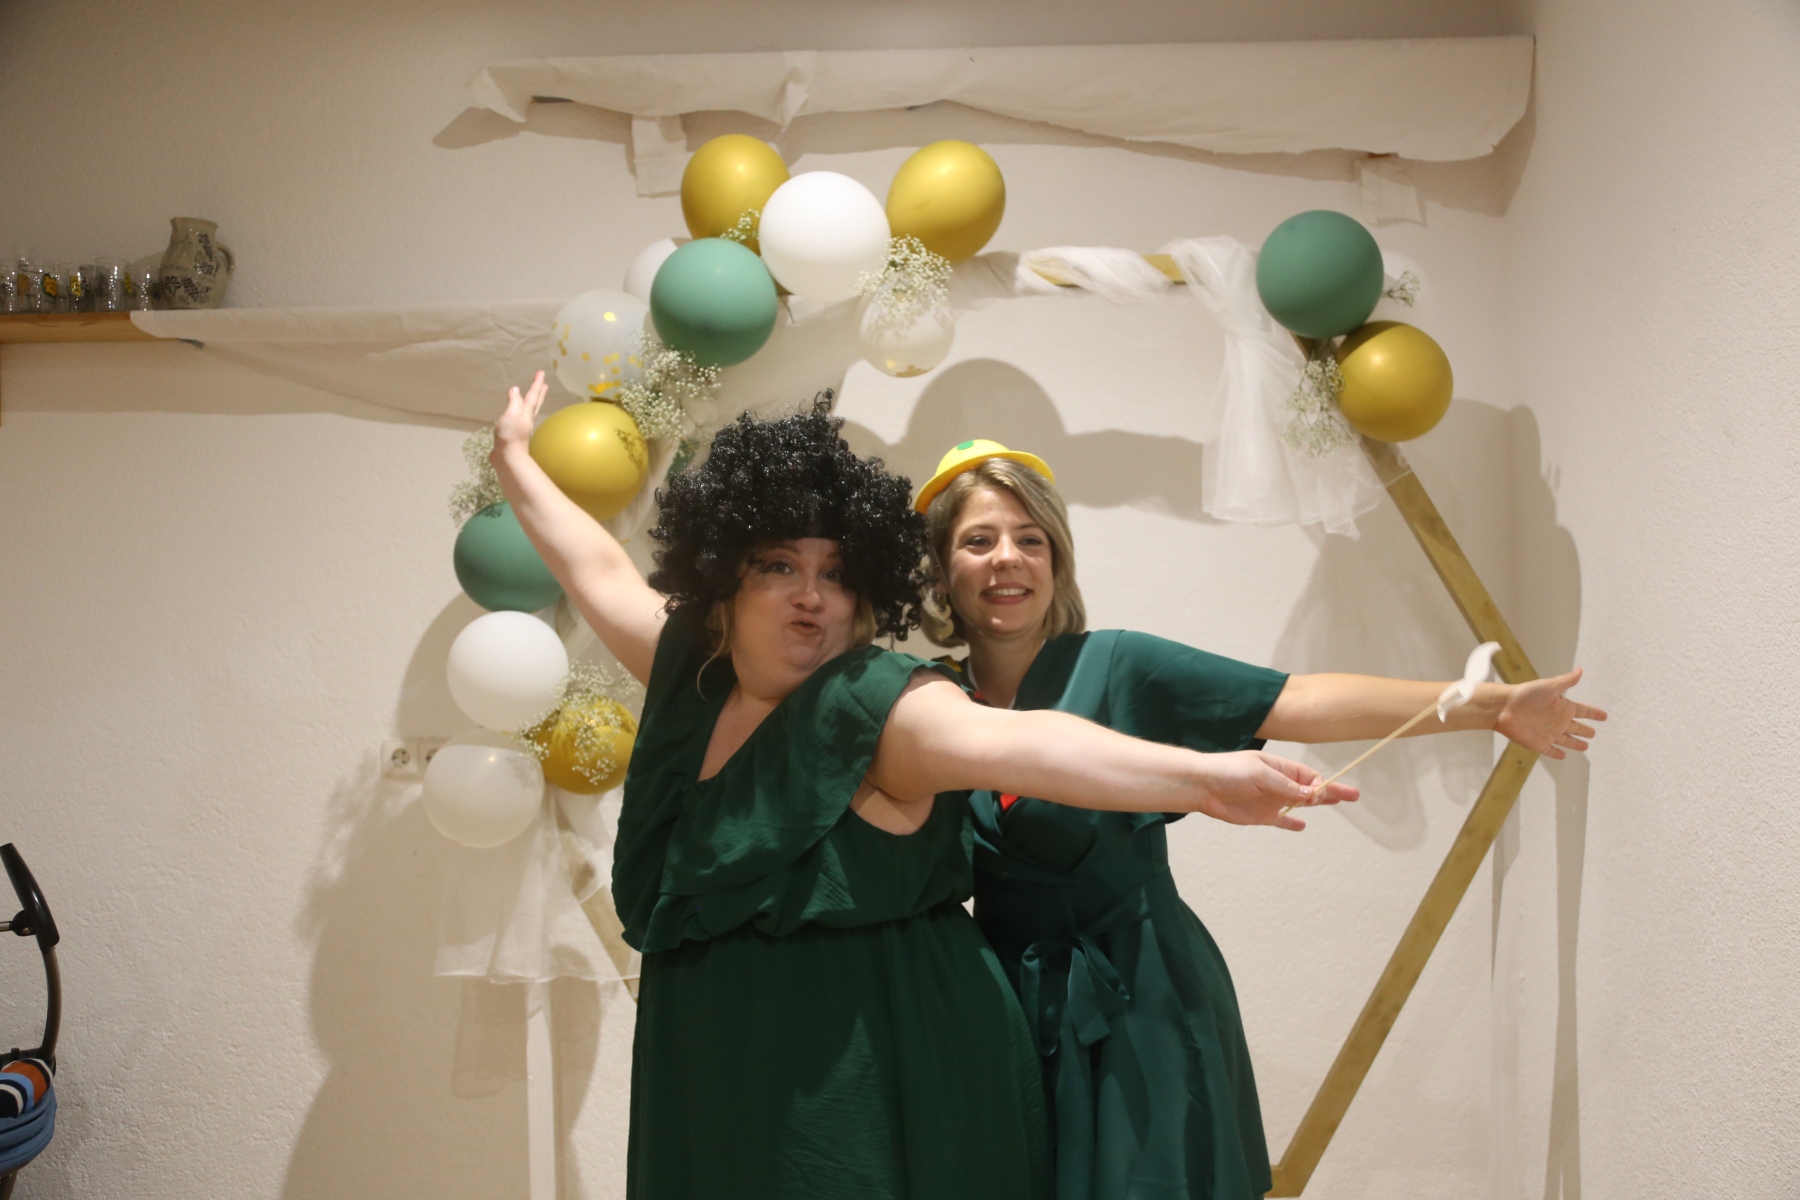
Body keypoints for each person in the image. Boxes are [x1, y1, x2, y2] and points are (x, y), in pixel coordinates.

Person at [489, 379, 1357, 1200]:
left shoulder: (877, 704)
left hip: (884, 1080)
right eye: (779, 566)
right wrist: (515, 460)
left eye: (837, 574)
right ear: (723, 582)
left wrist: (1202, 777)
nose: (811, 596)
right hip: (718, 1082)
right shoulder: (695, 675)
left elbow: (1019, 742)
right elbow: (596, 570)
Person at [912, 439, 1608, 1200]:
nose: (1007, 559)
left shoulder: (1117, 665)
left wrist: (1492, 705)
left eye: (1030, 539)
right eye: (978, 541)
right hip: (1006, 1011)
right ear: (942, 571)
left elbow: (1295, 699)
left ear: (1057, 561)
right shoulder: (928, 702)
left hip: (1144, 992)